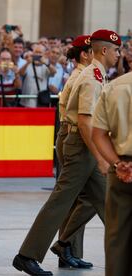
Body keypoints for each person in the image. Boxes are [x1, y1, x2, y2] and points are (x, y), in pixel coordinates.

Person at [12, 29, 120, 275]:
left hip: (84, 145)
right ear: (104, 50)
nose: (118, 54)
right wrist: (101, 156)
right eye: (116, 50)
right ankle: (26, 255)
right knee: (60, 200)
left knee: (109, 201)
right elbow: (84, 121)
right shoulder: (91, 77)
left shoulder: (98, 75)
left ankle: (63, 245)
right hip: (81, 147)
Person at [51, 35, 96, 268]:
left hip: (71, 135)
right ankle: (66, 249)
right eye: (93, 50)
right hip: (75, 136)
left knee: (79, 198)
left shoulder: (82, 74)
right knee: (77, 199)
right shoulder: (82, 77)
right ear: (85, 54)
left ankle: (68, 251)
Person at [92, 71, 132, 276]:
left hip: (123, 169)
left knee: (117, 238)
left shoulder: (114, 87)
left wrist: (117, 164)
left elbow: (97, 134)